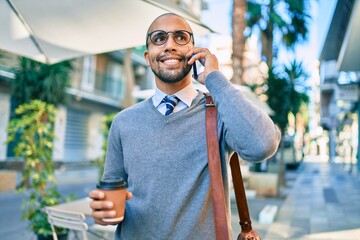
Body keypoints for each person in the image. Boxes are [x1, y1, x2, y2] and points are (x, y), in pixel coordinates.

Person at [89, 13, 281, 240]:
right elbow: (113, 192)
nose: (169, 45)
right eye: (159, 38)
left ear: (194, 50)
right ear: (148, 56)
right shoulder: (123, 122)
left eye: (180, 37)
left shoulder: (220, 112)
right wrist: (105, 212)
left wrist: (215, 78)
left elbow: (264, 144)